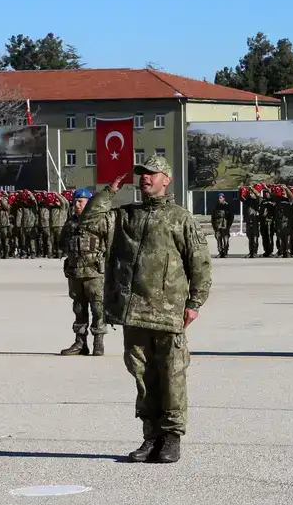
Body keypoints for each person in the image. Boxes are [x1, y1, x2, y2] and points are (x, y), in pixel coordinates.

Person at [83, 155, 212, 464]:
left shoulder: (180, 218)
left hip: (169, 312)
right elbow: (87, 223)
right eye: (141, 174)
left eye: (151, 174)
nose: (144, 178)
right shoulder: (125, 216)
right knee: (142, 375)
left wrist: (195, 303)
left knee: (172, 375)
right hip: (134, 312)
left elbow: (200, 264)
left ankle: (171, 437)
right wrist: (109, 190)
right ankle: (150, 436)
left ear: (166, 179)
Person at [58, 188, 112, 356]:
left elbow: (111, 244)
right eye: (75, 201)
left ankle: (98, 342)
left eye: (80, 201)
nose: (77, 204)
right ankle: (80, 343)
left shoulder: (99, 221)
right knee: (79, 308)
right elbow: (62, 243)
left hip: (94, 273)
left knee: (98, 309)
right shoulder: (71, 223)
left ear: (89, 203)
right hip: (75, 273)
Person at [211, 193, 233, 258]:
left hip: (225, 225)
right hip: (217, 225)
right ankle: (220, 252)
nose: (219, 199)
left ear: (223, 198)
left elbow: (231, 216)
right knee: (218, 239)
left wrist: (229, 225)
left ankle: (225, 252)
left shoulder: (227, 205)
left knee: (225, 239)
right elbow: (213, 217)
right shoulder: (216, 205)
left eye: (221, 198)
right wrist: (213, 225)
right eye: (219, 198)